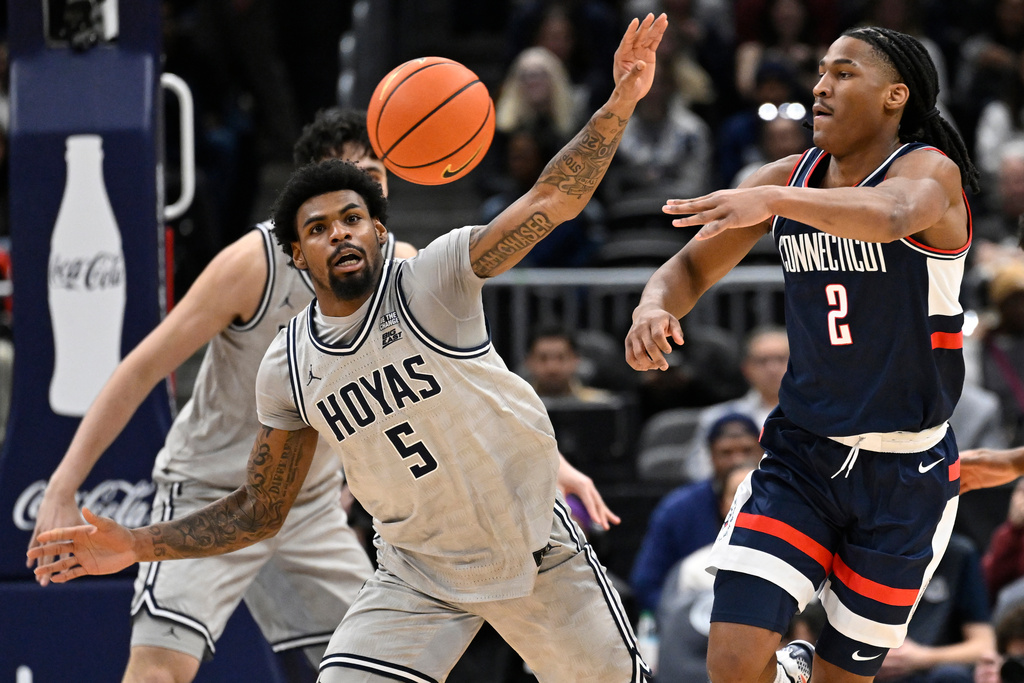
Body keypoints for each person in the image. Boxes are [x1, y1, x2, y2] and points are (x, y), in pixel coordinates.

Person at [29, 14, 669, 683]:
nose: (341, 232)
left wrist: (620, 100)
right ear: (294, 249)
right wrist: (124, 534)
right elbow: (254, 502)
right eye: (320, 223)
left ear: (380, 221)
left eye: (356, 213)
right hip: (388, 558)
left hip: (520, 541)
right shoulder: (287, 354)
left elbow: (550, 204)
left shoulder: (434, 275)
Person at [625, 24, 979, 683]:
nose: (820, 86)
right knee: (731, 663)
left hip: (905, 473)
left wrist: (775, 198)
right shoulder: (786, 180)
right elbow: (687, 271)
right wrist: (654, 307)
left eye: (844, 73)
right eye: (820, 72)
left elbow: (892, 215)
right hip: (803, 455)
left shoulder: (930, 172)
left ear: (893, 95)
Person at [630, 413, 765, 613]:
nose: (737, 460)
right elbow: (646, 584)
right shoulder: (677, 509)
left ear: (762, 451)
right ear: (710, 455)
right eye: (726, 453)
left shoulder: (791, 504)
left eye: (747, 450)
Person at [875, 533, 994, 683]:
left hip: (925, 672)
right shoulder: (864, 548)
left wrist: (921, 657)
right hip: (862, 663)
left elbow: (984, 647)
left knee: (951, 676)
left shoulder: (958, 554)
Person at [681, 325, 789, 482]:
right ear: (746, 368)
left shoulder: (820, 415)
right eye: (762, 361)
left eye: (781, 359)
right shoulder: (717, 417)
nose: (772, 368)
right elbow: (700, 473)